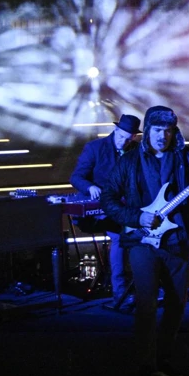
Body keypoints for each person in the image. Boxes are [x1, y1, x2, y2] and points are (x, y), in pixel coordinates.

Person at [100, 105, 189, 376]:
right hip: (143, 243)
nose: (162, 136)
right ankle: (145, 365)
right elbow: (108, 199)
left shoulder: (188, 159)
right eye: (156, 130)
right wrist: (137, 217)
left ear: (174, 131)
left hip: (177, 243)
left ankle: (162, 359)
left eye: (168, 130)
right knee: (147, 305)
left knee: (177, 305)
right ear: (147, 131)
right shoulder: (130, 162)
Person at [69, 113, 139, 310]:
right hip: (103, 208)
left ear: (133, 137)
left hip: (126, 206)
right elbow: (76, 177)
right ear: (115, 130)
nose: (123, 142)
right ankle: (120, 292)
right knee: (120, 237)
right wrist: (90, 187)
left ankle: (145, 285)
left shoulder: (134, 149)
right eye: (121, 137)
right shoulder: (95, 148)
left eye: (128, 139)